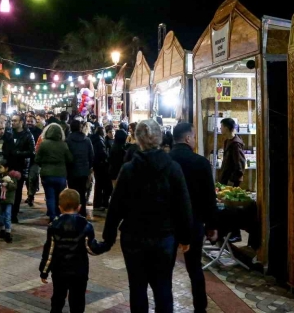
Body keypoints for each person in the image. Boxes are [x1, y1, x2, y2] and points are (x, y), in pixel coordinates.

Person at [103, 119, 193, 313]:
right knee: (163, 287)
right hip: (164, 237)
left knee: (137, 288)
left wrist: (108, 237)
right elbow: (183, 205)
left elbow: (115, 207)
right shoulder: (172, 168)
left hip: (134, 237)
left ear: (138, 140)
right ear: (160, 139)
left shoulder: (128, 170)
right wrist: (186, 236)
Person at [169, 123, 218, 313]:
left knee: (165, 269)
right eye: (194, 136)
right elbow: (209, 197)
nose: (195, 140)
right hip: (194, 223)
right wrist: (212, 225)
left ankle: (165, 306)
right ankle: (200, 308)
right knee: (195, 268)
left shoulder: (166, 161)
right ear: (188, 138)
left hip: (169, 224)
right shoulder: (200, 162)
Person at [39, 189, 108, 313]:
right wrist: (105, 245)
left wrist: (44, 271)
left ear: (59, 207)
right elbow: (91, 249)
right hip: (79, 271)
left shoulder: (54, 226)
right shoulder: (86, 225)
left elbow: (49, 251)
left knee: (58, 298)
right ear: (80, 207)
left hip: (59, 270)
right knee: (77, 300)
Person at [35, 124, 73, 221]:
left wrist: (43, 164)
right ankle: (59, 214)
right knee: (60, 196)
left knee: (50, 196)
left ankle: (52, 217)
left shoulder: (44, 144)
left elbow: (37, 159)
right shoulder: (63, 145)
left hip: (46, 174)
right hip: (61, 174)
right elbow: (70, 159)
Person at [9, 114, 35, 224]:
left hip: (21, 166)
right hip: (9, 165)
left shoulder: (28, 135)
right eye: (12, 120)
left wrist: (18, 153)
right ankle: (7, 212)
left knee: (18, 190)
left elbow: (32, 152)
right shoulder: (9, 133)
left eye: (15, 121)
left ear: (21, 122)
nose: (13, 122)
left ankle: (14, 213)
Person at [66, 120, 94, 217]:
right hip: (84, 170)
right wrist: (89, 167)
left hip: (71, 170)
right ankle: (82, 211)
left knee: (72, 191)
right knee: (82, 192)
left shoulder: (68, 140)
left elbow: (66, 156)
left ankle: (73, 210)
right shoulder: (86, 140)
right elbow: (91, 156)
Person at [219, 118, 246, 187]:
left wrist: (231, 181)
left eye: (221, 126)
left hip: (231, 181)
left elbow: (240, 165)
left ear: (226, 128)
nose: (220, 128)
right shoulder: (227, 141)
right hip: (225, 178)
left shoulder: (236, 144)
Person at [0, 159, 19, 243]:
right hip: (0, 199)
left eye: (1, 167)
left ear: (6, 168)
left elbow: (14, 186)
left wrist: (8, 184)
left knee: (7, 215)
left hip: (8, 199)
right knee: (0, 215)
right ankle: (2, 229)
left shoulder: (12, 175)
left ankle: (8, 232)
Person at [91, 127, 112, 211]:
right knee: (101, 185)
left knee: (98, 185)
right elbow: (103, 154)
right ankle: (99, 204)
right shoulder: (100, 141)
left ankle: (97, 203)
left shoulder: (94, 139)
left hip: (96, 165)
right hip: (101, 165)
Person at [25, 116, 43, 207]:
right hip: (25, 159)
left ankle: (31, 195)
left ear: (35, 122)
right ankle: (29, 193)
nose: (29, 123)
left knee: (33, 177)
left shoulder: (39, 132)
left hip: (35, 159)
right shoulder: (24, 131)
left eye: (31, 121)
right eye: (28, 121)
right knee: (27, 179)